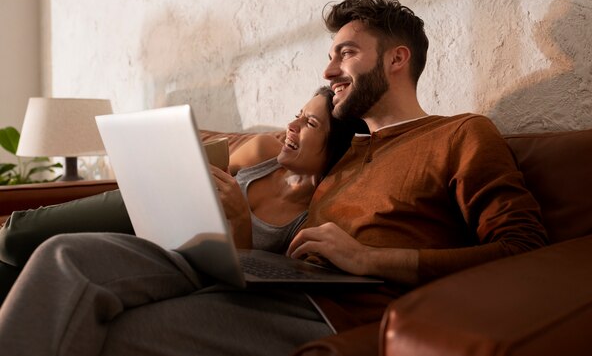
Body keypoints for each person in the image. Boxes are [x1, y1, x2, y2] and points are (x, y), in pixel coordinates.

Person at [0, 0, 548, 355]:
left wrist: (369, 259)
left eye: (347, 53)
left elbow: (524, 250)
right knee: (64, 255)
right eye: (331, 56)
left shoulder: (462, 134)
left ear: (397, 59)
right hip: (271, 275)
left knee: (123, 337)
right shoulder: (348, 152)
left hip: (338, 307)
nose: (330, 70)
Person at [0, 86, 366, 303]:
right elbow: (200, 166)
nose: (292, 125)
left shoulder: (311, 216)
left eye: (310, 123)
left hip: (181, 258)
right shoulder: (261, 153)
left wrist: (239, 217)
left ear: (335, 147)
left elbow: (243, 274)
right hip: (153, 206)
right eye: (298, 114)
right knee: (17, 234)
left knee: (43, 262)